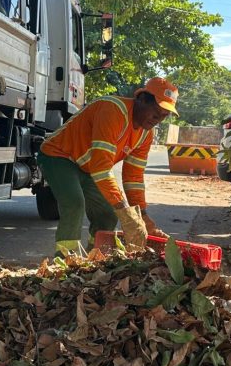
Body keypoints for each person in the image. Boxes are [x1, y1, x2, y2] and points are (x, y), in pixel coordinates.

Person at [37, 77, 178, 256]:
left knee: (108, 214)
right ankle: (65, 261)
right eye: (156, 112)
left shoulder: (145, 135)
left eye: (164, 116)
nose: (158, 119)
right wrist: (124, 210)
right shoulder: (113, 110)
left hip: (88, 168)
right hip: (59, 156)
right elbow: (101, 167)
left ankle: (96, 256)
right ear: (142, 99)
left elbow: (133, 178)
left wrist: (142, 215)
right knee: (74, 203)